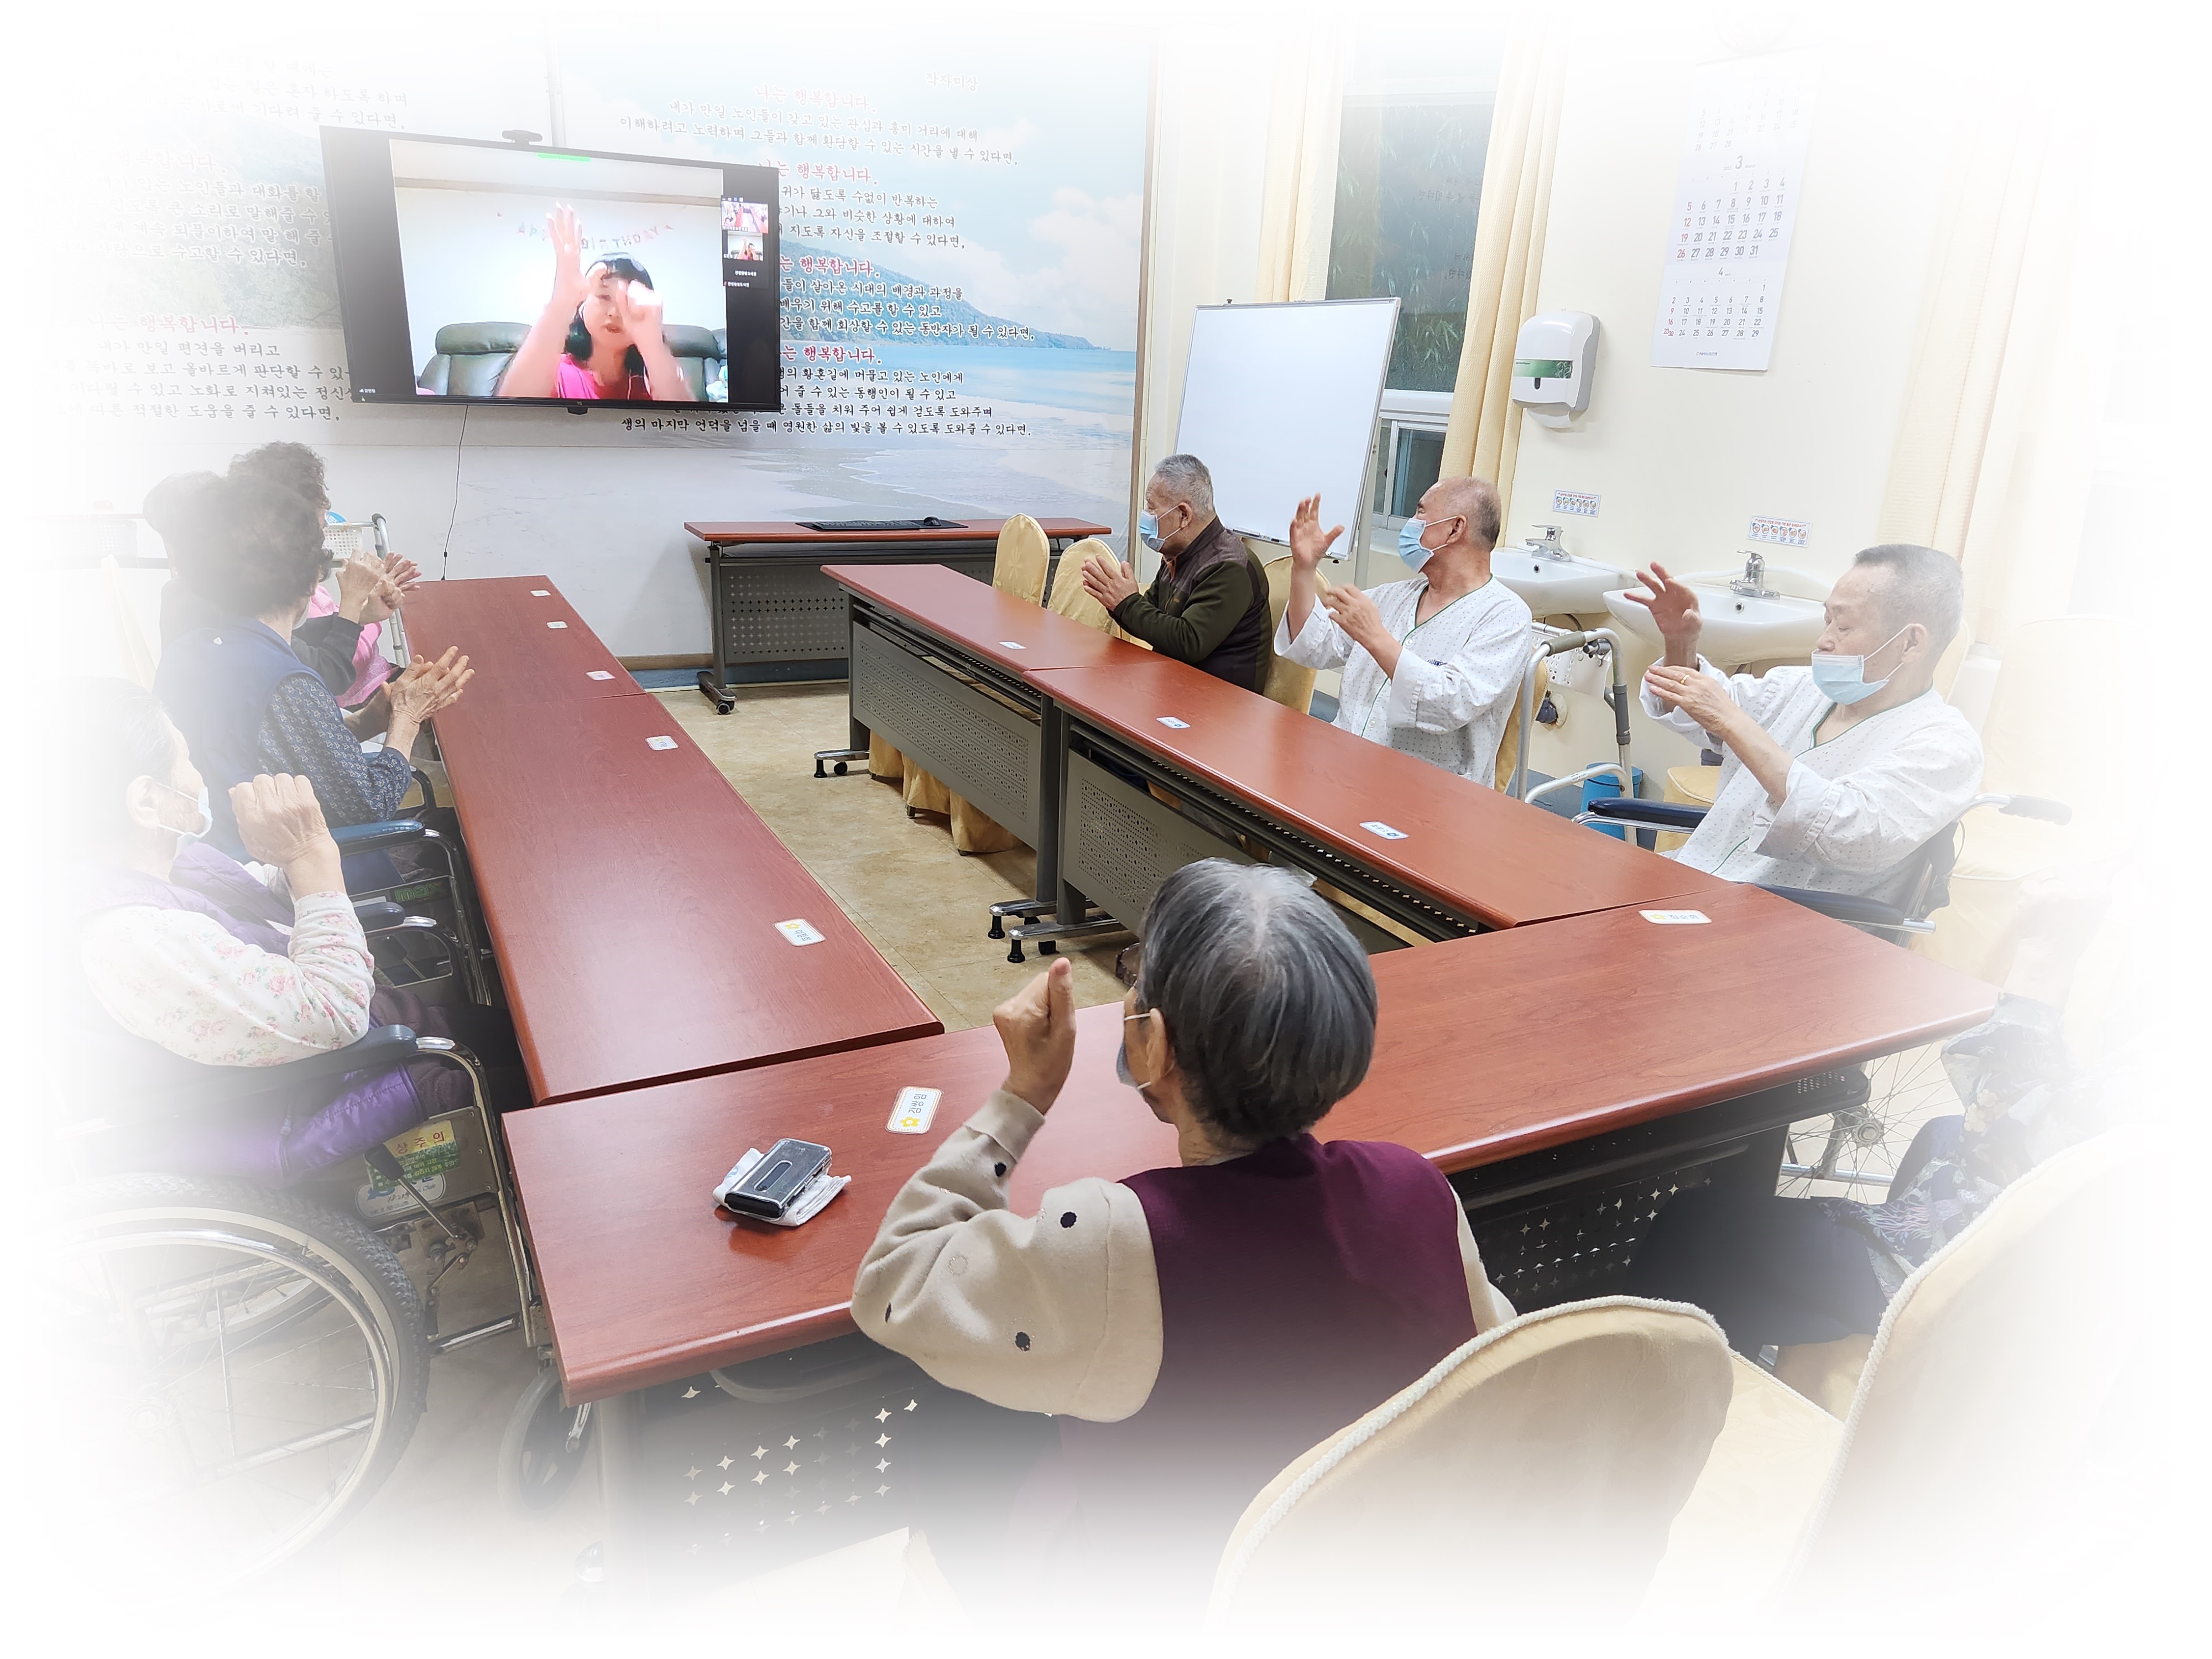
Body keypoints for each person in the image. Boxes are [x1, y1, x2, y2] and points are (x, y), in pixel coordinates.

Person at [854, 860, 1512, 1619]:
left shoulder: (1117, 1240)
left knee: (952, 1417)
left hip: (1176, 1608)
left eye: (1135, 979)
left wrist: (1020, 1096)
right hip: (1368, 1590)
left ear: (1154, 1045)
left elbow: (894, 1283)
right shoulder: (1418, 1188)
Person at [1624, 867, 2115, 1364]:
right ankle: (1822, 1304)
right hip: (2084, 1222)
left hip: (2024, 1275)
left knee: (1697, 1222)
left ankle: (1646, 1389)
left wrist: (2045, 953)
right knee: (1943, 1132)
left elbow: (2005, 1126)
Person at [64, 679, 523, 1185]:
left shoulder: (166, 867)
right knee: (542, 1077)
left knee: (512, 1032)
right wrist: (309, 856)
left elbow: (263, 900)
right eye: (186, 760)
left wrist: (290, 849)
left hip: (364, 1041)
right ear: (147, 802)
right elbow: (336, 1014)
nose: (198, 780)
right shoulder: (130, 938)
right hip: (327, 1096)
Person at [1626, 544, 1983, 903]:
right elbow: (1695, 710)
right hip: (1692, 881)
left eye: (1843, 626)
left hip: (1781, 918)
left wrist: (1732, 722)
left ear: (1911, 643)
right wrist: (1681, 644)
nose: (1823, 641)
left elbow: (1845, 832)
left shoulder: (1944, 747)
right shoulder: (1801, 688)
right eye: (1827, 621)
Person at [153, 472, 473, 858]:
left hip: (209, 855)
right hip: (286, 867)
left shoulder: (188, 651)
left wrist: (366, 722)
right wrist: (407, 719)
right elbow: (369, 806)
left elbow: (270, 749)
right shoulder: (286, 680)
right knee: (456, 829)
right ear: (310, 581)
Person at [1276, 476, 1533, 784]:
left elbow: (1450, 704)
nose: (1411, 523)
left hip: (1428, 794)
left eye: (1421, 512)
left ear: (1455, 528)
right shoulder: (1394, 596)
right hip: (1340, 767)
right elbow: (1314, 645)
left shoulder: (1506, 616)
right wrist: (1303, 569)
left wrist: (1375, 637)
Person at [150, 445, 418, 709]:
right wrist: (352, 606)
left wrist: (358, 615)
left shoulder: (215, 597)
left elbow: (293, 637)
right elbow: (329, 674)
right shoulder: (228, 610)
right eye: (311, 533)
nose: (316, 545)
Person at [1079, 454, 1276, 693]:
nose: (1146, 514)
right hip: (1173, 682)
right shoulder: (1177, 552)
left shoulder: (1229, 566)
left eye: (1151, 507)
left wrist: (1126, 603)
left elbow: (1188, 641)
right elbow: (1150, 619)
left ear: (1183, 515)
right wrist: (1118, 601)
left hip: (1220, 700)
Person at [496, 205, 692, 402]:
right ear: (583, 305)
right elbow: (510, 412)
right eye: (605, 297)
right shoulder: (553, 369)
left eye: (627, 302)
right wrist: (562, 302)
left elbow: (687, 418)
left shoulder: (656, 379)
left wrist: (652, 344)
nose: (614, 313)